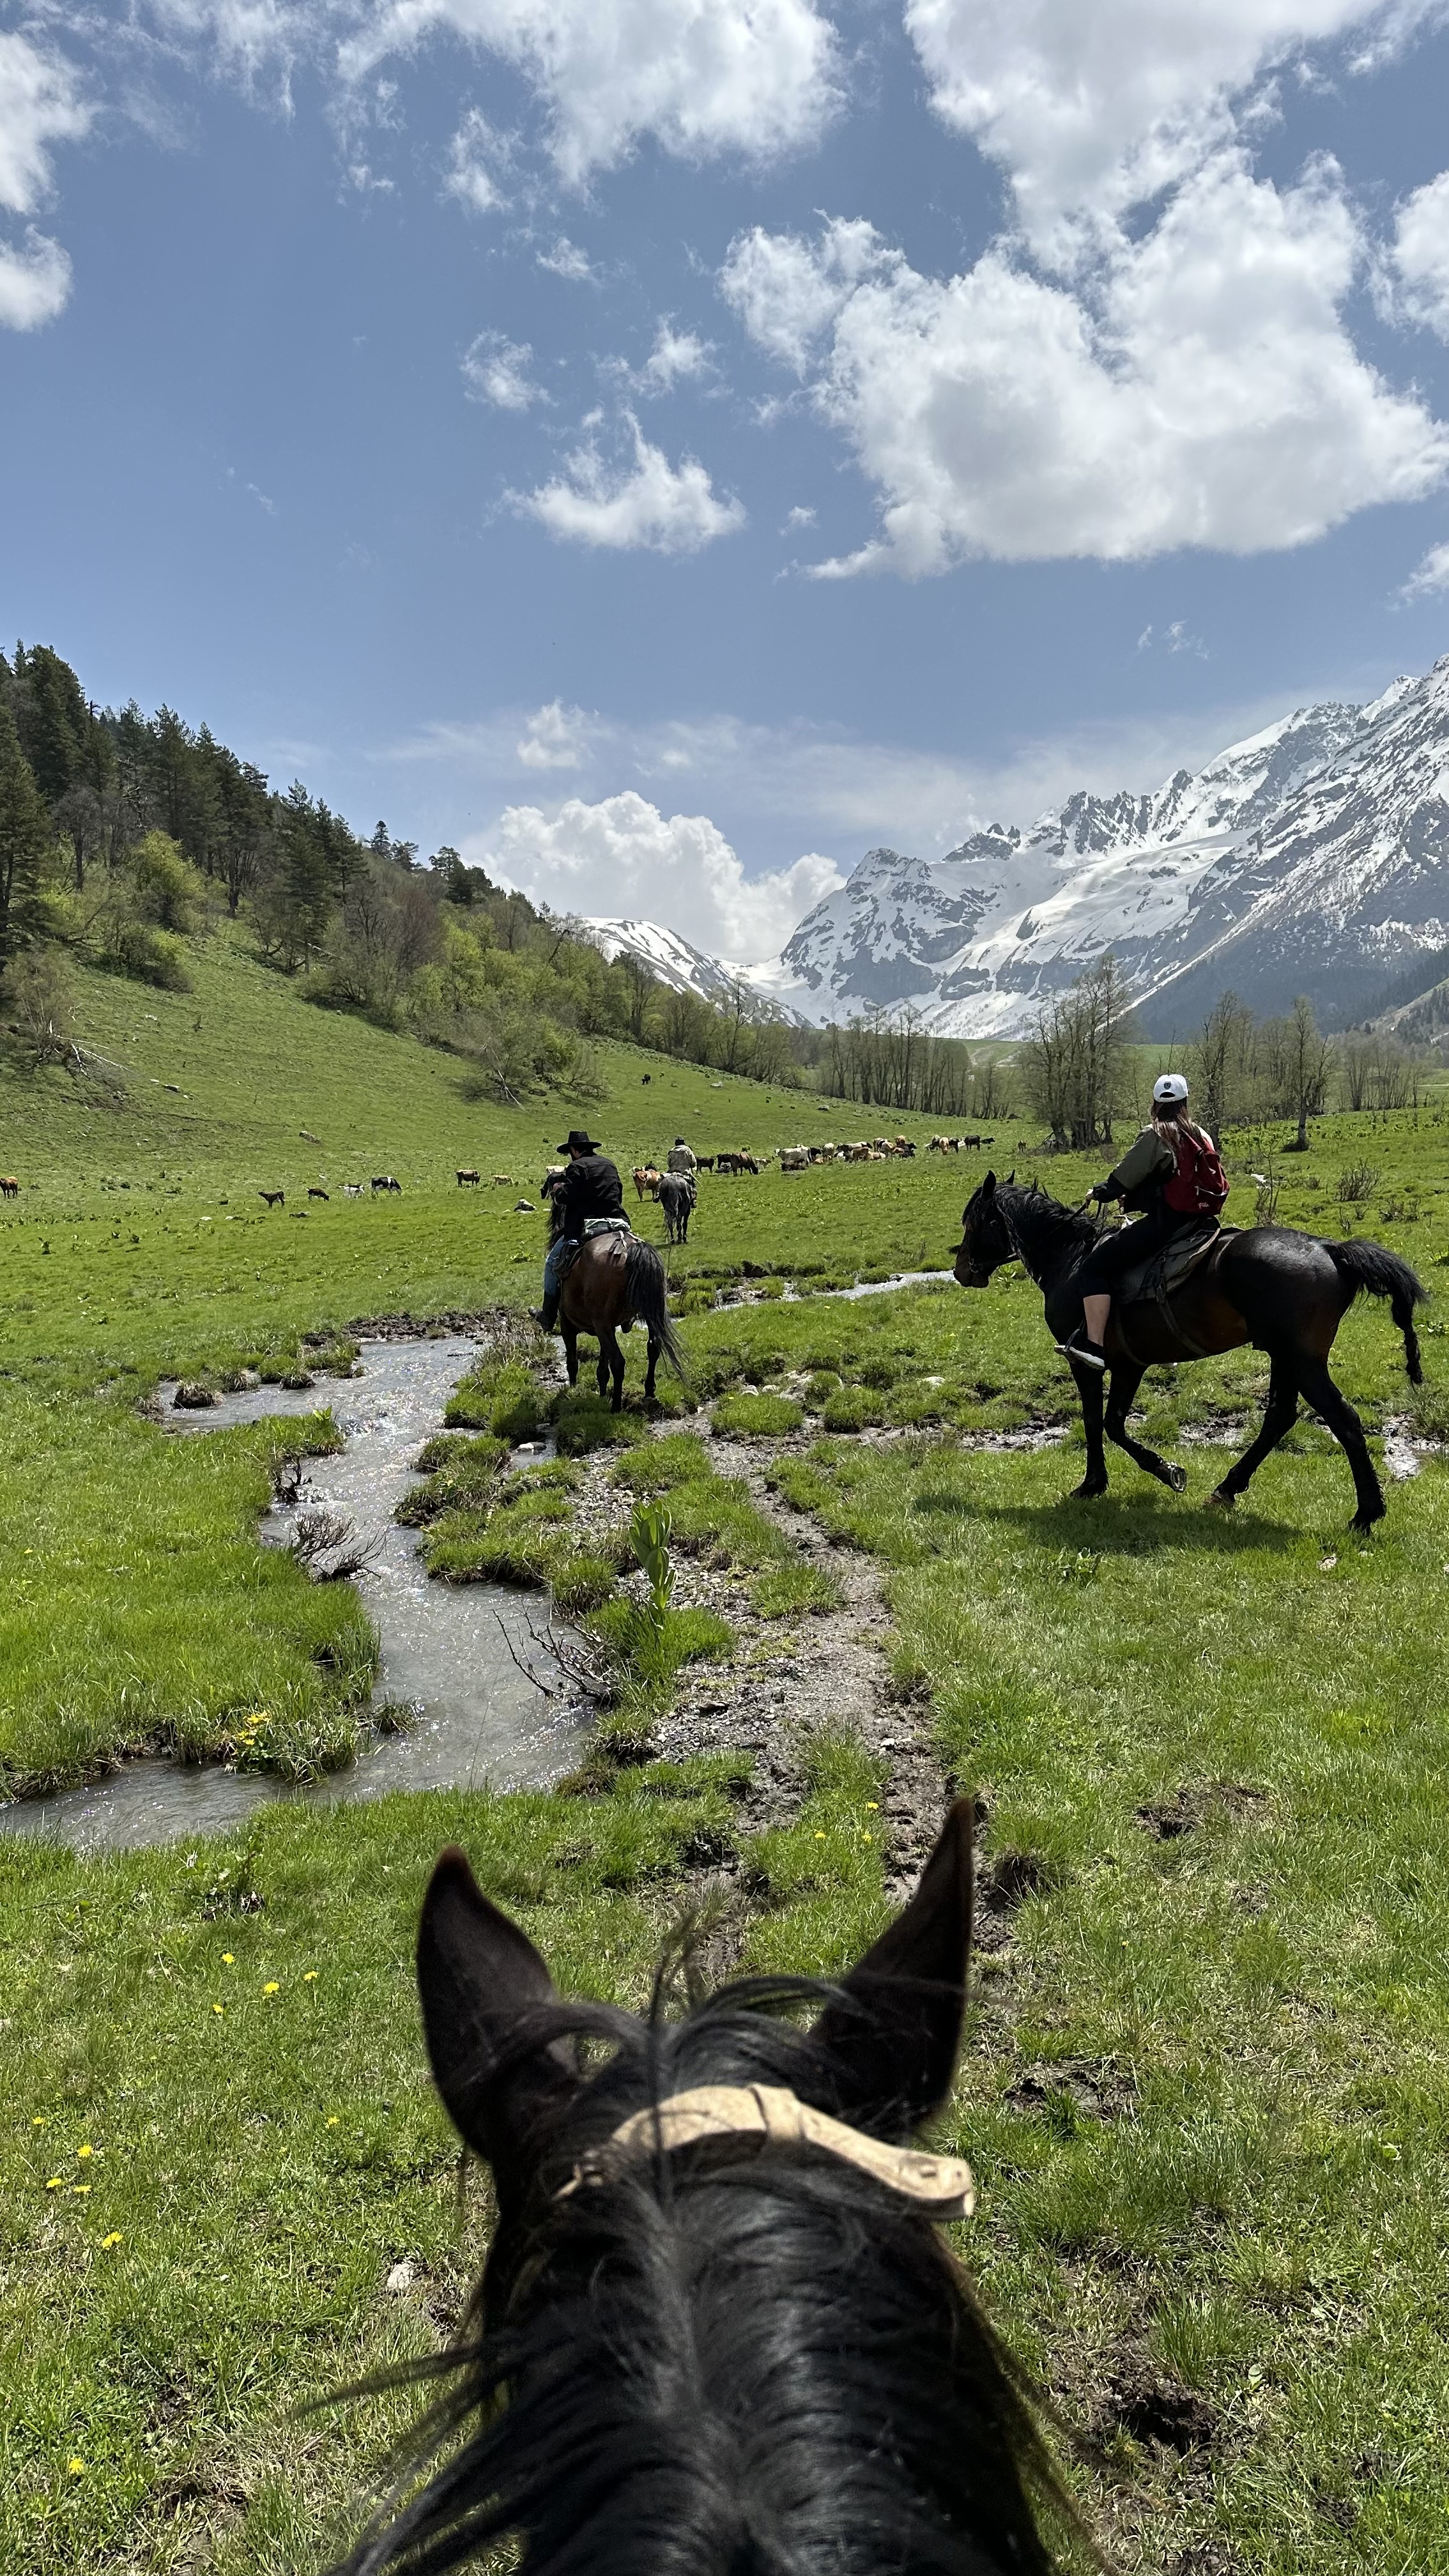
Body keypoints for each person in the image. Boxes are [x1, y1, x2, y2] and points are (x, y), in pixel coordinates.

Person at [1057, 1073, 1228, 1372]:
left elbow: (1122, 1178)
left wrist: (1099, 1192)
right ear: (1185, 1102)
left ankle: (1094, 1345)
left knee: (1094, 1268)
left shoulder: (1157, 1134)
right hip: (1203, 1224)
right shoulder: (1201, 1134)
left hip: (1168, 1224)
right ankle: (1161, 1344)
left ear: (1156, 1104)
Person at [532, 1130, 626, 1331]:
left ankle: (548, 1315)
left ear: (574, 1150)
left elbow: (567, 1197)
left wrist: (558, 1189)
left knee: (551, 1264)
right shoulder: (609, 1165)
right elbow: (618, 1192)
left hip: (587, 1227)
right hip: (618, 1222)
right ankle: (629, 1313)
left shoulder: (576, 1167)